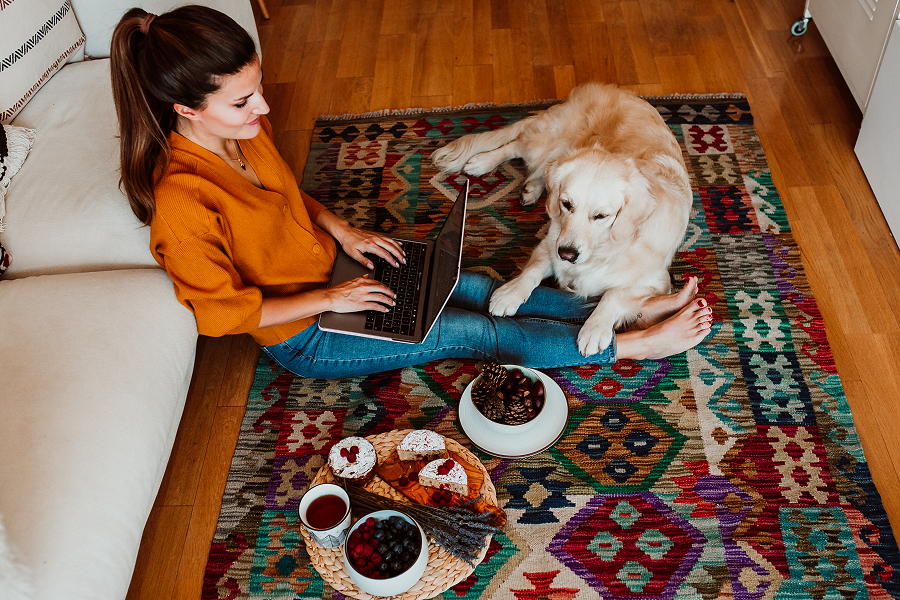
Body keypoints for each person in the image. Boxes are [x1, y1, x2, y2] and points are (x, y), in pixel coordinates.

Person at [110, 5, 713, 380]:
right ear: (185, 107)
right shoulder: (182, 208)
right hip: (310, 333)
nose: (263, 108)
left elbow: (285, 195)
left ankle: (628, 307)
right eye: (243, 101)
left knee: (472, 284)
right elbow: (222, 316)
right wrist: (330, 297)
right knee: (480, 334)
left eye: (258, 88)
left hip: (340, 273)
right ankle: (632, 344)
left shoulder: (243, 133)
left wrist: (344, 232)